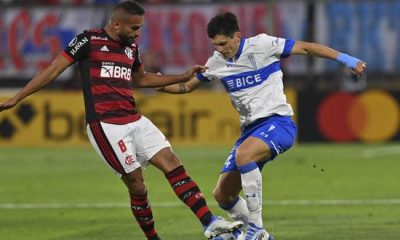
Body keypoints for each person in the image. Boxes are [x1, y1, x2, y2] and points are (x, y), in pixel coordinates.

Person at [0, 2, 243, 240]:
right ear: (117, 24)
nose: (138, 33)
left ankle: (210, 224)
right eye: (134, 28)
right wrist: (18, 97)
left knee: (172, 162)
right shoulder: (88, 40)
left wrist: (183, 75)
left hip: (134, 119)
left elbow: (143, 80)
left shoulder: (131, 48)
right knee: (137, 185)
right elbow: (53, 70)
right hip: (106, 125)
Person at [156, 12, 367, 240]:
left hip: (279, 123)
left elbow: (306, 48)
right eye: (215, 45)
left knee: (244, 155)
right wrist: (158, 84)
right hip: (250, 131)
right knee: (223, 194)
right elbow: (186, 87)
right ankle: (263, 237)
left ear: (237, 36)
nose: (219, 49)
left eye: (223, 43)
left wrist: (347, 59)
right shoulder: (216, 63)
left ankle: (255, 228)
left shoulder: (263, 45)